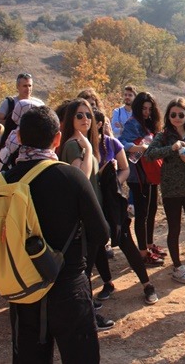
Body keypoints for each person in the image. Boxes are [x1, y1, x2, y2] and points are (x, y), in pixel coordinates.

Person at [0, 106, 109, 363]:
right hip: (68, 286)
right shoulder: (71, 177)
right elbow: (101, 233)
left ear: (19, 137)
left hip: (23, 288)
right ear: (57, 138)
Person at [57, 99, 115, 331]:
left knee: (87, 265)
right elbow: (80, 178)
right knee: (84, 269)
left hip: (89, 211)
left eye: (88, 115)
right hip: (82, 216)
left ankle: (86, 308)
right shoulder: (74, 145)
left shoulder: (81, 142)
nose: (85, 119)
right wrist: (90, 150)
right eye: (79, 115)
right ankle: (87, 315)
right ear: (70, 119)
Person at [92, 109, 158, 305]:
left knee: (125, 240)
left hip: (113, 201)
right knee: (97, 244)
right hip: (92, 201)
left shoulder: (112, 143)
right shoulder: (80, 145)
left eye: (92, 120)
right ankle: (108, 283)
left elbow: (125, 168)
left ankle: (147, 284)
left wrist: (113, 184)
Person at [144, 98, 185, 284]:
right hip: (171, 190)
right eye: (173, 114)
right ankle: (178, 267)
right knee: (174, 228)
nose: (177, 118)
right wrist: (171, 148)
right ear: (168, 116)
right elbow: (149, 155)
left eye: (181, 114)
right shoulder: (164, 135)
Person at [120, 92, 166, 266]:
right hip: (138, 175)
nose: (147, 112)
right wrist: (141, 147)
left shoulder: (150, 123)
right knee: (142, 213)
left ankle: (148, 244)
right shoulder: (132, 123)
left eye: (149, 109)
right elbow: (123, 143)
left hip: (150, 173)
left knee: (151, 209)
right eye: (144, 108)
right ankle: (142, 252)